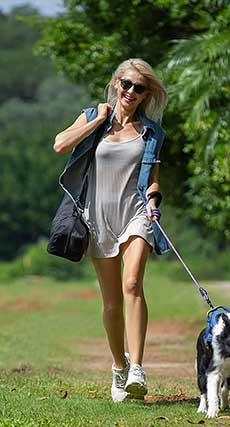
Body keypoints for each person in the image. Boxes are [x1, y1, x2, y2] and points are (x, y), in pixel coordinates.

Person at [53, 59, 169, 402]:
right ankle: (119, 367)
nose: (131, 92)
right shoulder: (92, 117)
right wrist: (100, 121)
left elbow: (153, 178)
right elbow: (60, 145)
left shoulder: (152, 133)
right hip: (97, 217)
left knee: (132, 283)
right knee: (111, 302)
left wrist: (154, 198)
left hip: (135, 213)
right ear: (116, 84)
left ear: (147, 94)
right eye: (127, 84)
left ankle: (138, 369)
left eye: (140, 87)